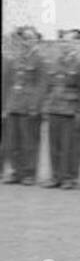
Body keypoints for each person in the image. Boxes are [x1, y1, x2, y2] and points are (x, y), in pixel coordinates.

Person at [43, 29, 80, 189]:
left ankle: (70, 177)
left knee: (70, 146)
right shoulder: (54, 63)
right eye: (62, 41)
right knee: (54, 145)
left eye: (69, 41)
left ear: (76, 44)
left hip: (71, 111)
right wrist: (47, 106)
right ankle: (56, 176)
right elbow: (49, 86)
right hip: (55, 108)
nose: (65, 45)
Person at [1, 26, 47, 185]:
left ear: (36, 40)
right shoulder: (16, 59)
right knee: (14, 141)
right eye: (24, 38)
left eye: (29, 38)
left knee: (29, 142)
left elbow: (42, 85)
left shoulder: (40, 59)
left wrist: (35, 106)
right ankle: (16, 172)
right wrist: (6, 106)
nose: (26, 41)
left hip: (29, 108)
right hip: (14, 105)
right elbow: (8, 84)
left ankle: (29, 173)